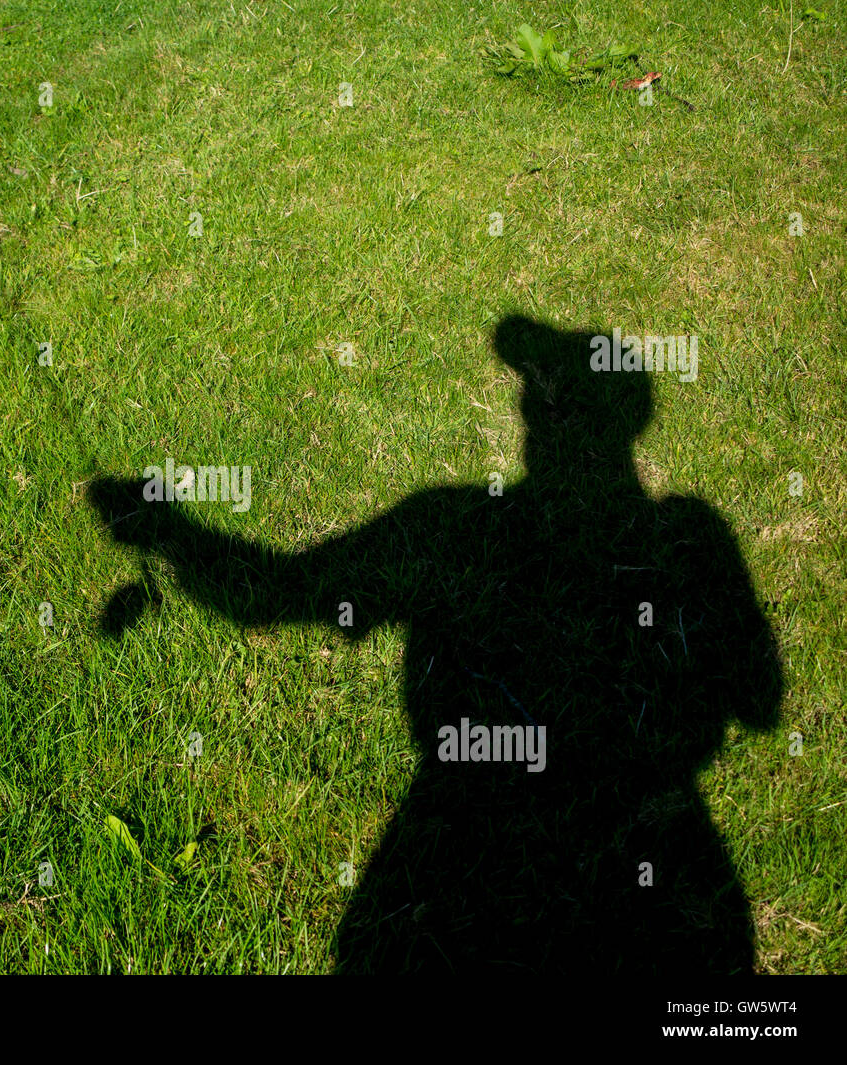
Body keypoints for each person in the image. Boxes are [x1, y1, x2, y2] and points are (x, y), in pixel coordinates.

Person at [89, 313, 783, 974]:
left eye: (540, 400)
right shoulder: (689, 536)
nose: (532, 414)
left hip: (460, 847)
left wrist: (168, 533)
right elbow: (760, 701)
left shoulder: (454, 521)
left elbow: (273, 594)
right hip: (658, 863)